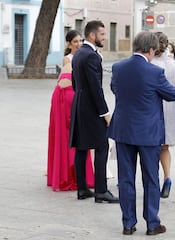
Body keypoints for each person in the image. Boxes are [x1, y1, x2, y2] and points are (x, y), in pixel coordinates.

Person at [108, 31, 175, 236]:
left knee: (126, 178)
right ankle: (152, 223)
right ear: (150, 50)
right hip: (148, 133)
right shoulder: (154, 71)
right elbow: (173, 94)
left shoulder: (118, 67)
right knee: (151, 178)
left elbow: (115, 89)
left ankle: (128, 224)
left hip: (123, 130)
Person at [69, 20, 119, 203]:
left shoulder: (78, 53)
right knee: (101, 146)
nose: (104, 37)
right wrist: (104, 113)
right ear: (92, 35)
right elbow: (96, 87)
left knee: (81, 147)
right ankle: (101, 191)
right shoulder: (91, 55)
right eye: (102, 34)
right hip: (91, 108)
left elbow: (76, 83)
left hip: (79, 104)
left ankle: (82, 189)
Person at [47, 30, 94, 191]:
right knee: (70, 136)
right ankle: (68, 173)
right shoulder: (68, 59)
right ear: (69, 44)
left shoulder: (86, 56)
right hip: (67, 100)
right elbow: (64, 81)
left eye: (80, 41)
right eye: (75, 42)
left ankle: (80, 173)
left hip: (73, 97)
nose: (79, 44)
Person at [151, 32, 175, 198]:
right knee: (165, 146)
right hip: (170, 106)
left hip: (154, 106)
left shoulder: (151, 63)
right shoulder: (172, 63)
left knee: (152, 146)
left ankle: (153, 180)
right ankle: (167, 177)